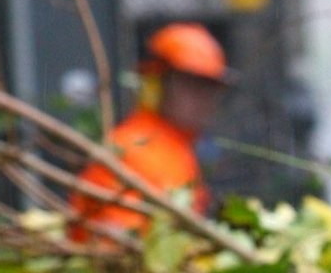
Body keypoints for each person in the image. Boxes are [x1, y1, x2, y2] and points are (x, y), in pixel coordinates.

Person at [72, 21, 229, 240]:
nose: (203, 98)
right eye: (190, 85)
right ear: (157, 82)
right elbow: (124, 242)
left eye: (209, 88)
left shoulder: (179, 150)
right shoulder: (130, 148)